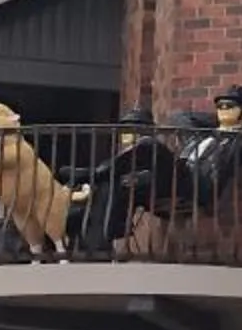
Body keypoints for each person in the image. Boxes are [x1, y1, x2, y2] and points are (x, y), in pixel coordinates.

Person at [68, 106, 179, 254]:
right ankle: (90, 240)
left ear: (142, 130)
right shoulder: (136, 150)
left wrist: (88, 174)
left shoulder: (147, 145)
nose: (124, 133)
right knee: (99, 190)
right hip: (135, 190)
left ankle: (99, 243)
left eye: (129, 128)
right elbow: (115, 167)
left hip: (154, 190)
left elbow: (113, 167)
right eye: (123, 129)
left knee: (108, 186)